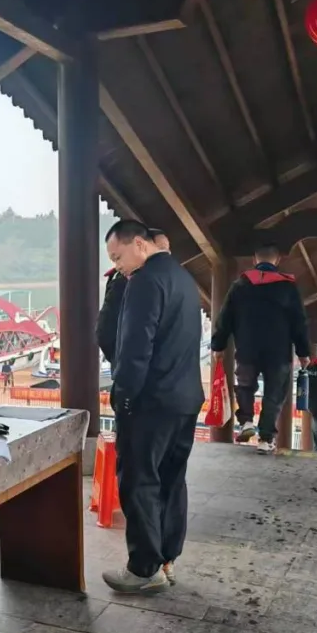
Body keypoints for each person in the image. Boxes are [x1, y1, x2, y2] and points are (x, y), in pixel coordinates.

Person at [103, 221, 204, 594]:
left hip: (151, 402)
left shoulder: (145, 281)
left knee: (139, 481)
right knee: (172, 480)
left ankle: (144, 567)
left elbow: (135, 346)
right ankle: (167, 559)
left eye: (118, 257)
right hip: (185, 398)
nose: (118, 266)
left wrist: (125, 395)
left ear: (139, 244)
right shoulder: (183, 277)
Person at [210, 244, 310, 454]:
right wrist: (303, 352)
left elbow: (225, 317)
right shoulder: (288, 287)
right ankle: (266, 438)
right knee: (274, 393)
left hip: (247, 349)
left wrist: (218, 345)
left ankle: (246, 421)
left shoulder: (240, 285)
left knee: (245, 386)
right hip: (278, 352)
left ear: (254, 260)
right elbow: (299, 322)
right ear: (278, 260)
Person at [96, 229, 171, 369]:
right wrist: (120, 362)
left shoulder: (168, 283)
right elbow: (105, 330)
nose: (164, 258)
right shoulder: (124, 283)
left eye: (167, 252)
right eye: (160, 251)